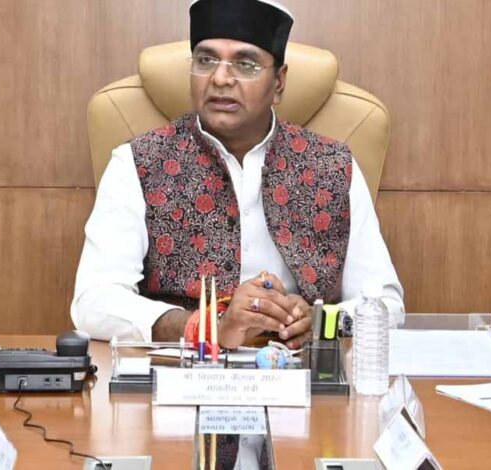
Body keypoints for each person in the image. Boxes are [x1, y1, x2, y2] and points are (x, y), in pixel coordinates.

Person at [71, 0, 404, 350]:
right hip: (180, 368)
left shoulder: (333, 165)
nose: (220, 79)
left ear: (279, 82)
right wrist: (206, 327)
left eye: (245, 65)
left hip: (303, 370)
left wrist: (322, 323)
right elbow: (94, 301)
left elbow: (387, 305)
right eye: (205, 60)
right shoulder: (138, 162)